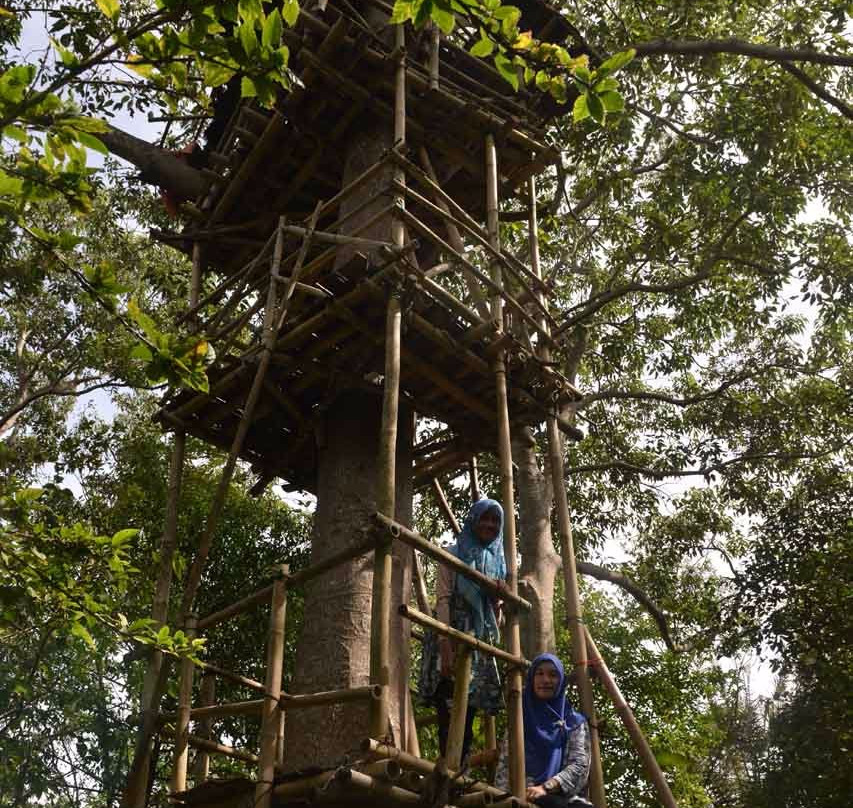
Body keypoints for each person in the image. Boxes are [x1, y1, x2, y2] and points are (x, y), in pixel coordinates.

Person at [419, 498, 508, 761]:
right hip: (451, 633)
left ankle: (458, 771)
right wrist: (446, 645)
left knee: (468, 712)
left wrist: (496, 598)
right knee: (447, 707)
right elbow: (443, 600)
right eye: (485, 518)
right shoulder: (452, 554)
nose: (489, 525)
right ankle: (446, 770)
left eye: (495, 521)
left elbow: (496, 620)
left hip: (477, 641)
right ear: (473, 520)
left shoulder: (497, 564)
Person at [495, 653, 591, 807]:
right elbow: (505, 764)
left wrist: (546, 787)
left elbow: (579, 764)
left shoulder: (573, 722)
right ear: (532, 679)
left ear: (561, 681)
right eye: (539, 674)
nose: (545, 680)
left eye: (553, 675)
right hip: (519, 793)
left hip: (558, 796)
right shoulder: (520, 718)